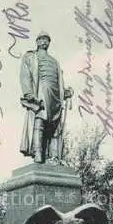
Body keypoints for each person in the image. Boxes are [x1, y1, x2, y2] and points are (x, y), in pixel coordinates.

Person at [19, 32, 73, 164]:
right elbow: (25, 76)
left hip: (55, 97)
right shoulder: (30, 57)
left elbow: (58, 81)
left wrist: (65, 92)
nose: (44, 42)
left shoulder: (55, 62)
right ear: (37, 42)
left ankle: (53, 156)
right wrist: (29, 94)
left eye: (47, 40)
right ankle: (38, 153)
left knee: (55, 126)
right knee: (40, 120)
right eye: (42, 39)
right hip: (40, 91)